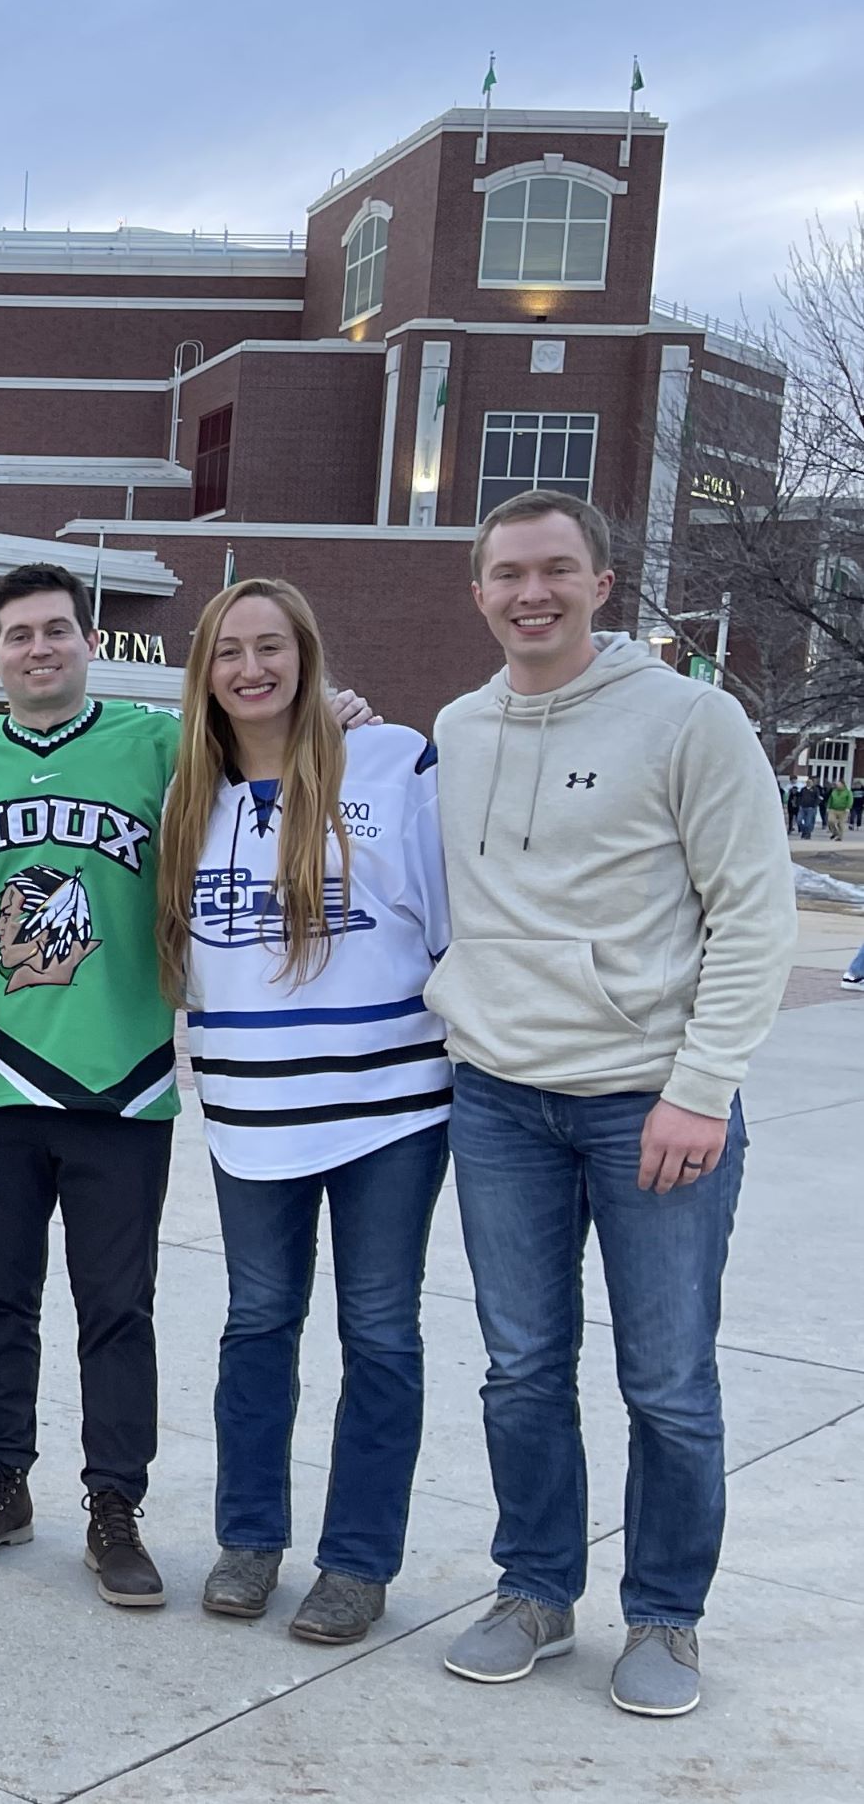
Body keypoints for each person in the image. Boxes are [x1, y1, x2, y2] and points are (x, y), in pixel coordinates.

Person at [429, 490, 794, 1718]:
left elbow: (752, 912)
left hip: (648, 1104)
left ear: (600, 581)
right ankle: (532, 1588)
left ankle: (663, 1616)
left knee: (666, 1379)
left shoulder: (691, 719)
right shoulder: (458, 725)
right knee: (519, 1367)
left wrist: (698, 1089)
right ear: (475, 591)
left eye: (553, 570)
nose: (528, 592)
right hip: (495, 1100)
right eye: (504, 573)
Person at [158, 579, 450, 1646]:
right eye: (227, 650)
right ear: (204, 670)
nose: (249, 667)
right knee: (255, 1325)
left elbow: (451, 918)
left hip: (390, 1107)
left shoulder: (391, 759)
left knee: (376, 1333)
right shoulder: (186, 785)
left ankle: (357, 1561)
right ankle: (248, 1539)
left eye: (269, 646)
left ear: (305, 653)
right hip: (248, 1113)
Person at [0, 562, 181, 1609]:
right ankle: (1, 1481)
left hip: (123, 1075)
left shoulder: (157, 744)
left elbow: (272, 749)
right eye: (18, 634)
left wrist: (334, 711)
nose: (37, 647)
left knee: (117, 1304)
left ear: (88, 642)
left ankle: (114, 1501)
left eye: (56, 630)